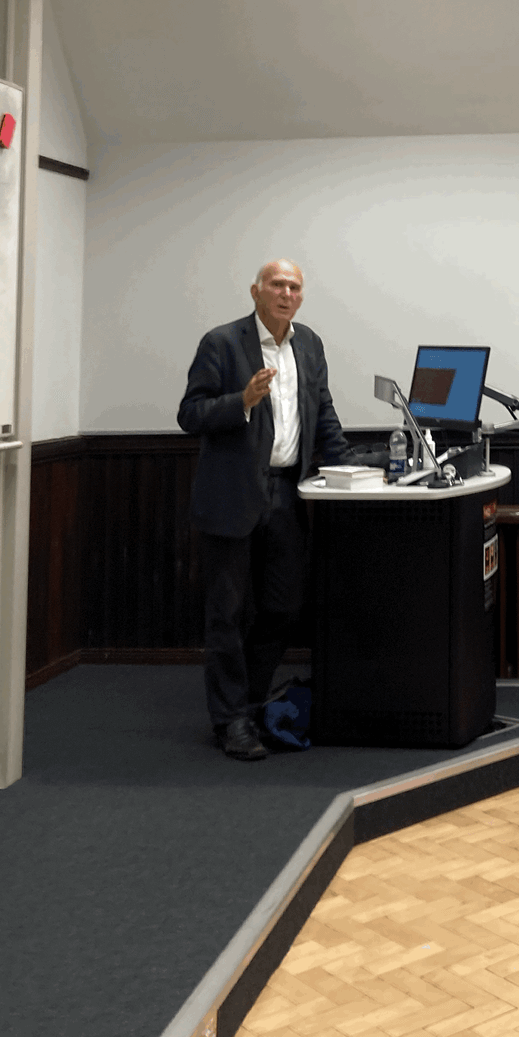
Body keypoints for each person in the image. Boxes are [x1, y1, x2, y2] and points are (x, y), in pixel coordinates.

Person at [177, 258, 354, 760]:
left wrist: (353, 471)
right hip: (231, 496)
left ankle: (249, 702)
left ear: (301, 296)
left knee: (283, 605)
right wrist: (243, 400)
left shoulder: (310, 344)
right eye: (276, 284)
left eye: (294, 286)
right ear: (256, 291)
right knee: (227, 614)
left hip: (286, 492)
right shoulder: (222, 342)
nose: (285, 292)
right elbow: (189, 414)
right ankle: (230, 721)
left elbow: (324, 413)